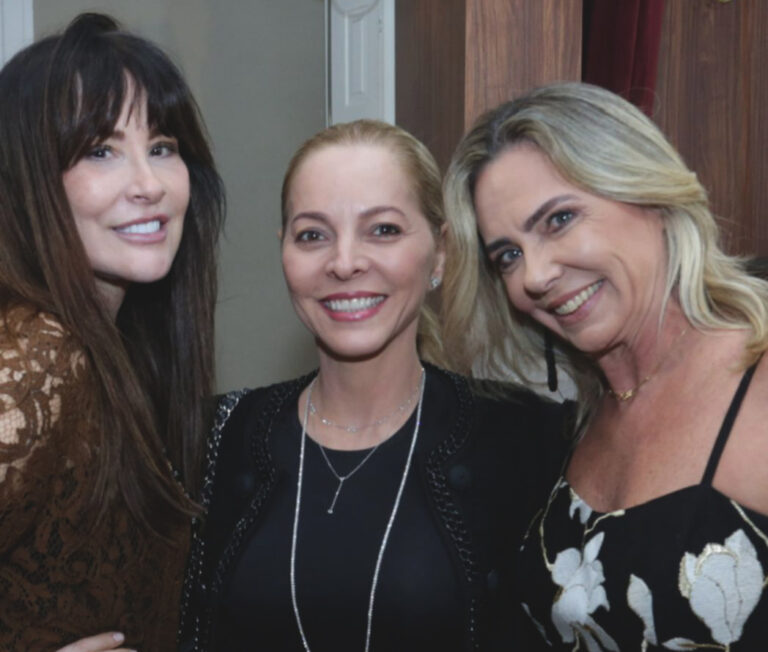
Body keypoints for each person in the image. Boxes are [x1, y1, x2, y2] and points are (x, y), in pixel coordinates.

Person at [179, 119, 568, 651]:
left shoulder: (527, 438)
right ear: (284, 253)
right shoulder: (213, 438)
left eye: (382, 229)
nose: (344, 263)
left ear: (441, 251)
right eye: (312, 235)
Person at [442, 81, 768, 649]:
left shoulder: (757, 378)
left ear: (649, 196)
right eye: (509, 255)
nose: (534, 276)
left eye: (559, 219)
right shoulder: (575, 421)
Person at [0, 13, 224, 650]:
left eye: (161, 148)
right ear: (27, 181)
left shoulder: (119, 350)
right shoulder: (38, 354)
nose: (149, 185)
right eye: (100, 150)